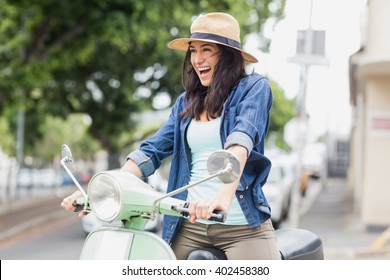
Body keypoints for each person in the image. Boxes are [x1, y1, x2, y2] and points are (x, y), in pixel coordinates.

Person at [61, 12, 280, 260]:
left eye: (206, 49)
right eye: (193, 51)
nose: (197, 59)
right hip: (189, 226)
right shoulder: (186, 103)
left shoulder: (253, 88)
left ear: (228, 55)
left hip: (242, 230)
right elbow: (150, 152)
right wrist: (101, 192)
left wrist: (221, 199)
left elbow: (241, 141)